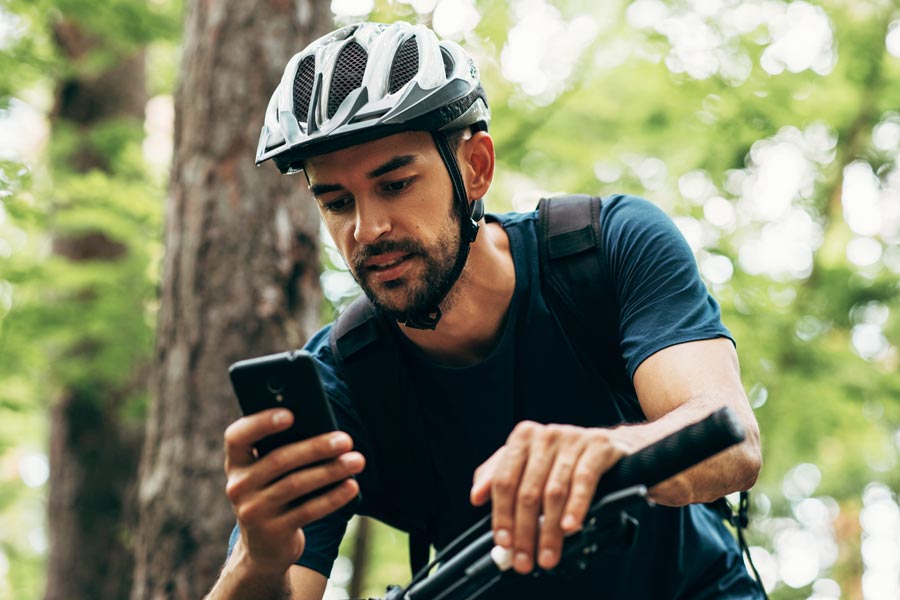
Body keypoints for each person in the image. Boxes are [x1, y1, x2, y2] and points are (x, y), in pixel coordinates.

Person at [206, 21, 763, 600]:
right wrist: (258, 561)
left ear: (475, 167)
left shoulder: (609, 248)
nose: (367, 230)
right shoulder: (339, 382)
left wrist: (608, 451)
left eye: (395, 184)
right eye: (338, 202)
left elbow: (732, 439)